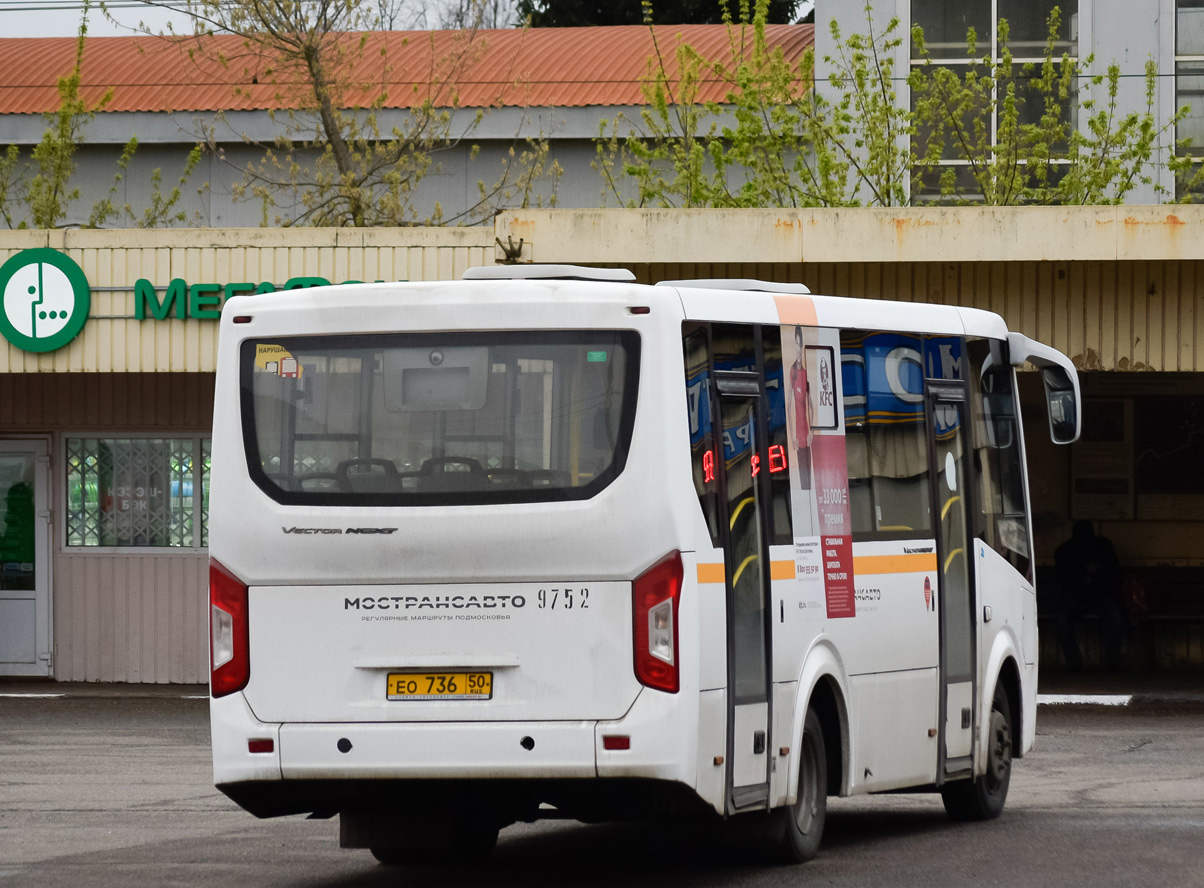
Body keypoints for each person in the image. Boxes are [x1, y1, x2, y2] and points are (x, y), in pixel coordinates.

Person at [1055, 520, 1126, 672]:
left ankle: (1111, 663)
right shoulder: (1065, 550)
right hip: (1076, 598)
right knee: (1062, 618)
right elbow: (1061, 577)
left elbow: (1116, 575)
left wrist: (1093, 577)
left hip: (1100, 597)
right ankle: (1074, 663)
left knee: (1115, 616)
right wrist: (1084, 574)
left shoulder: (1103, 547)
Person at [789, 326, 813, 490]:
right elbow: (788, 407)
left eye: (800, 344)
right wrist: (792, 437)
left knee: (809, 480)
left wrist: (812, 430)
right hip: (797, 434)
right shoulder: (792, 372)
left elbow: (810, 405)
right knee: (802, 481)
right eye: (796, 344)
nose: (798, 349)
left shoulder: (806, 373)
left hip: (807, 432)